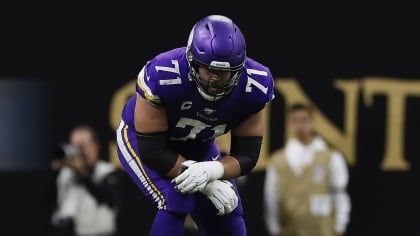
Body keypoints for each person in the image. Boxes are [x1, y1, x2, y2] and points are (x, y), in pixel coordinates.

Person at [115, 14, 275, 236]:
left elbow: (247, 155)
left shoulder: (255, 85)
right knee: (176, 199)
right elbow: (153, 151)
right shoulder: (163, 73)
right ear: (191, 61)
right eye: (208, 69)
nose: (214, 79)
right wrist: (207, 184)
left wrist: (213, 170)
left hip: (198, 145)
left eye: (223, 72)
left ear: (238, 70)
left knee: (228, 210)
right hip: (143, 140)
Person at [263, 103, 351, 236]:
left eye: (304, 120)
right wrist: (274, 228)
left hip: (322, 230)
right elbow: (271, 198)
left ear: (313, 123)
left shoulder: (331, 158)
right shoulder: (278, 161)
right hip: (289, 230)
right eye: (295, 120)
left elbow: (339, 193)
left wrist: (340, 226)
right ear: (289, 124)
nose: (300, 125)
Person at [51, 124, 121, 236]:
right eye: (73, 147)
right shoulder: (66, 174)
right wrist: (54, 172)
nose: (78, 153)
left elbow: (107, 197)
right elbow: (49, 204)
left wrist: (83, 174)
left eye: (82, 147)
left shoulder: (108, 171)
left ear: (96, 147)